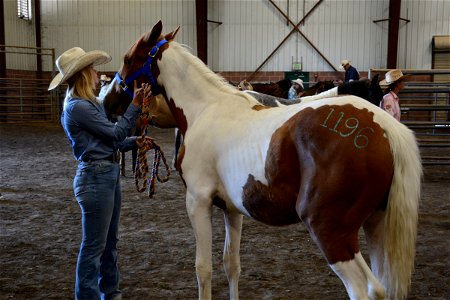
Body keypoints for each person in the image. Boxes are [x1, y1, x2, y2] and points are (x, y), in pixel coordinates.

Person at [48, 47, 153, 300]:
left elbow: (112, 141)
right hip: (96, 178)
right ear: (84, 74)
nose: (97, 73)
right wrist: (135, 107)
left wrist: (133, 143)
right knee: (95, 247)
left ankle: (110, 294)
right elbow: (115, 134)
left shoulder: (88, 105)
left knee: (108, 244)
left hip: (104, 174)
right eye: (93, 69)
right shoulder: (78, 108)